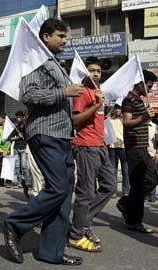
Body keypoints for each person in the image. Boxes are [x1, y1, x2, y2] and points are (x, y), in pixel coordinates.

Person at [0, 18, 85, 266]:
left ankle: (51, 251)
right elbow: (28, 94)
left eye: (66, 37)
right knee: (57, 187)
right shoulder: (35, 61)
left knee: (65, 192)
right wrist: (64, 92)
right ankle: (13, 224)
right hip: (44, 133)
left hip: (62, 135)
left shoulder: (56, 64)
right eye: (60, 36)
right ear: (45, 37)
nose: (64, 41)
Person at [68, 57, 116, 252]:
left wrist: (105, 107)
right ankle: (76, 235)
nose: (96, 73)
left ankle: (84, 221)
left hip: (100, 145)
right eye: (92, 70)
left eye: (98, 70)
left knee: (111, 185)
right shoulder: (82, 91)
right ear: (85, 72)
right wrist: (96, 105)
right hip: (86, 146)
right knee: (86, 192)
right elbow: (75, 120)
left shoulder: (99, 91)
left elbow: (98, 118)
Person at [116, 70, 158, 233]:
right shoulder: (129, 100)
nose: (150, 89)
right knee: (141, 183)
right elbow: (126, 123)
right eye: (149, 85)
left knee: (147, 181)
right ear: (140, 83)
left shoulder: (140, 101)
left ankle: (127, 205)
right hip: (134, 149)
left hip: (142, 147)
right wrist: (143, 118)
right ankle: (134, 220)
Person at [108, 105, 130, 197]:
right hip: (112, 147)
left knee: (125, 170)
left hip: (124, 146)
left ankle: (126, 190)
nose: (117, 110)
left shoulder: (125, 120)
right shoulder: (109, 120)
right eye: (116, 108)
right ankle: (113, 191)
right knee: (113, 170)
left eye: (119, 108)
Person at [9, 111, 28, 189]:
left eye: (19, 117)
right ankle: (19, 182)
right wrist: (17, 137)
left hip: (24, 148)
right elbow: (10, 138)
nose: (18, 119)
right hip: (16, 148)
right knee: (17, 166)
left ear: (23, 117)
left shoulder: (27, 127)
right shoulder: (16, 127)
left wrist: (23, 136)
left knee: (24, 166)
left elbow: (29, 137)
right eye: (17, 117)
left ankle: (26, 182)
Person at [0, 114, 12, 188]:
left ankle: (8, 182)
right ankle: (1, 181)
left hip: (6, 150)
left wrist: (6, 150)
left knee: (7, 167)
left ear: (4, 119)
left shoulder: (9, 129)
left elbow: (11, 140)